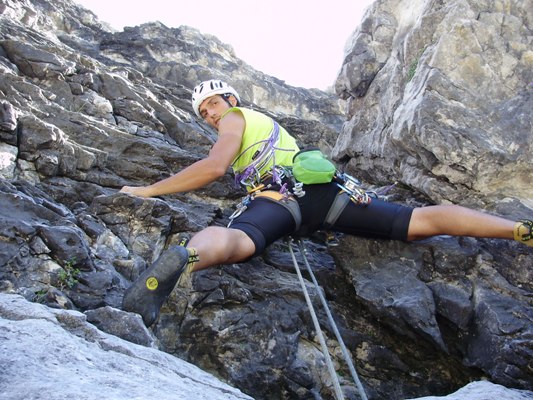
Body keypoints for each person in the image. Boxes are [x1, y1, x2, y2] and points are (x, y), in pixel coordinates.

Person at [121, 79, 532, 327]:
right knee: (418, 222)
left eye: (212, 104)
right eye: (203, 113)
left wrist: (148, 190)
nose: (210, 115)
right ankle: (518, 230)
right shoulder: (268, 129)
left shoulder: (236, 118)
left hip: (278, 200)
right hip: (326, 196)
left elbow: (214, 167)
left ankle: (187, 256)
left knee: (239, 240)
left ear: (231, 99)